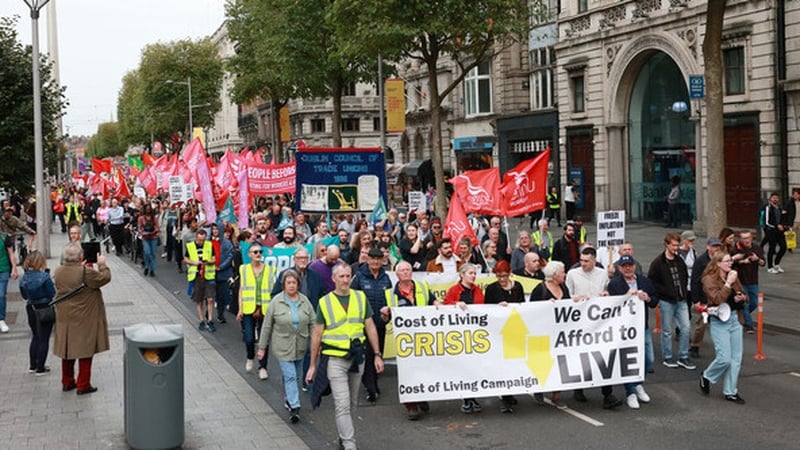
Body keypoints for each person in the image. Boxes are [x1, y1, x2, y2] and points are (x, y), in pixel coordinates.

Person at [305, 263, 384, 450]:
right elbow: (317, 333)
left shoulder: (360, 297)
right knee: (342, 403)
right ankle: (350, 445)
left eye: (348, 276)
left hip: (357, 358)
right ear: (333, 279)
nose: (345, 280)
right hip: (335, 358)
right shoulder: (325, 302)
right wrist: (312, 365)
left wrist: (377, 354)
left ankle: (343, 435)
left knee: (351, 403)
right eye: (341, 277)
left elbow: (370, 326)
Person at [565, 247, 621, 409]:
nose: (582, 264)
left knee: (602, 356)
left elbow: (606, 290)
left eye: (586, 261)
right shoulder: (573, 274)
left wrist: (605, 294)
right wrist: (575, 299)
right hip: (579, 323)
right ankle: (578, 388)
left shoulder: (602, 274)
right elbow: (567, 296)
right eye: (581, 260)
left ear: (594, 261)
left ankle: (607, 394)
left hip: (598, 323)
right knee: (581, 356)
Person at [379, 261, 435, 420]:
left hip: (424, 338)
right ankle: (411, 405)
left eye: (408, 270)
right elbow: (385, 319)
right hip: (404, 340)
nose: (405, 272)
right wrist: (384, 314)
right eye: (402, 270)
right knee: (407, 372)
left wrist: (441, 306)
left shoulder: (422, 288)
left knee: (424, 369)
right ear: (396, 274)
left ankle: (422, 396)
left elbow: (434, 302)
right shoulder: (390, 294)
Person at [257, 270, 315, 423]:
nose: (291, 286)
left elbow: (313, 323)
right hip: (282, 345)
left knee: (294, 375)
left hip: (300, 345)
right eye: (288, 283)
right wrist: (262, 347)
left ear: (298, 284)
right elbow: (267, 326)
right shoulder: (276, 302)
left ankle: (288, 398)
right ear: (283, 285)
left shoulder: (305, 301)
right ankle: (295, 407)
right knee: (290, 376)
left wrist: (317, 343)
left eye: (294, 283)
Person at [53, 244, 111, 394]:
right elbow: (104, 278)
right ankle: (83, 384)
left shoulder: (58, 271)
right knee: (85, 349)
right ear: (81, 256)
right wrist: (102, 265)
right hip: (84, 316)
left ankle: (67, 381)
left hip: (65, 316)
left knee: (67, 350)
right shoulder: (86, 272)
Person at [607, 255, 658, 410]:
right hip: (625, 330)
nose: (628, 268)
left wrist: (647, 298)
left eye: (630, 265)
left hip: (642, 327)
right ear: (620, 268)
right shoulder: (615, 284)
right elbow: (612, 306)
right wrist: (626, 296)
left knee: (648, 359)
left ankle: (638, 384)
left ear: (634, 266)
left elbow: (655, 300)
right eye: (625, 266)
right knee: (628, 361)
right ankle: (630, 392)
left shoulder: (644, 281)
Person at [699, 252, 748, 404]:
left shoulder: (733, 275)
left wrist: (742, 297)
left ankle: (731, 391)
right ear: (718, 263)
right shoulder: (709, 279)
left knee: (736, 359)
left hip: (734, 318)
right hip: (720, 320)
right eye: (727, 261)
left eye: (731, 261)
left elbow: (744, 295)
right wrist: (728, 283)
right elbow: (717, 299)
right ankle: (707, 376)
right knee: (724, 358)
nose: (730, 263)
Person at [351, 247, 393, 404]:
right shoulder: (359, 277)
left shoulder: (386, 278)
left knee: (378, 354)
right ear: (367, 259)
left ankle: (373, 383)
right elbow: (352, 298)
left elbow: (390, 298)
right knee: (368, 356)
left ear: (382, 260)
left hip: (380, 323)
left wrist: (388, 313)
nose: (375, 262)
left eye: (378, 259)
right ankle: (371, 388)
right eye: (372, 259)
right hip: (364, 325)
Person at [648, 232, 695, 370]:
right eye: (673, 245)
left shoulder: (679, 261)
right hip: (666, 301)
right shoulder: (657, 263)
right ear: (666, 245)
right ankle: (668, 357)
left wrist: (684, 294)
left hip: (681, 300)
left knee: (686, 328)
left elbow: (684, 277)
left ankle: (683, 356)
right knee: (667, 330)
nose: (676, 248)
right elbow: (652, 281)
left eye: (677, 245)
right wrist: (661, 293)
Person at [483, 260, 524, 413]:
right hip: (499, 332)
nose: (502, 279)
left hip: (515, 329)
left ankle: (510, 392)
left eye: (504, 276)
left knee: (514, 362)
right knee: (503, 363)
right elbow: (487, 309)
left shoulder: (517, 286)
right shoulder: (492, 289)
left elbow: (521, 305)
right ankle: (506, 397)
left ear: (509, 273)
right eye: (499, 276)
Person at [443, 263, 485, 413]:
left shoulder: (478, 290)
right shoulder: (454, 290)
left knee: (475, 366)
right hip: (460, 335)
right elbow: (445, 306)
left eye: (474, 273)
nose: (473, 276)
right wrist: (455, 304)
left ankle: (473, 396)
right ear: (462, 275)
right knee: (464, 366)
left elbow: (484, 308)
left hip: (476, 334)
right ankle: (467, 398)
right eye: (471, 273)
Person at [529, 261, 569, 408]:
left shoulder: (563, 287)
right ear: (554, 275)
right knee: (543, 363)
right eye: (562, 272)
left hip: (560, 334)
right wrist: (545, 306)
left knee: (560, 363)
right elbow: (531, 311)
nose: (565, 274)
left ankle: (556, 395)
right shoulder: (540, 289)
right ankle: (539, 390)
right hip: (542, 334)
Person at [237, 242, 276, 380]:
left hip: (265, 308)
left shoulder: (271, 269)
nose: (258, 254)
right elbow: (241, 289)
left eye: (260, 252)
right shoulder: (244, 269)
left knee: (263, 340)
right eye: (255, 252)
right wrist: (240, 309)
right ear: (249, 255)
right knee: (248, 338)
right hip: (248, 308)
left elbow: (273, 291)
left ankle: (263, 367)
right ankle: (250, 357)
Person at [19, 251, 55, 374]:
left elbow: (24, 296)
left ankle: (32, 365)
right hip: (45, 307)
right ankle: (41, 367)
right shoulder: (45, 277)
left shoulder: (23, 278)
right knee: (44, 338)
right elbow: (52, 293)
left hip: (31, 308)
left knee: (35, 336)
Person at [688, 237, 723, 358]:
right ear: (708, 247)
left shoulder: (722, 259)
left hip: (718, 296)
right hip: (705, 297)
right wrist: (696, 300)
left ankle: (722, 347)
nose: (716, 248)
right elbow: (695, 280)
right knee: (702, 324)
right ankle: (695, 346)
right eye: (714, 246)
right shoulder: (701, 261)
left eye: (718, 246)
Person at [732, 230, 765, 334]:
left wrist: (757, 259)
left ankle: (742, 316)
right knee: (745, 303)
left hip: (753, 280)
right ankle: (749, 325)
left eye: (748, 238)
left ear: (751, 238)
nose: (746, 240)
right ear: (741, 239)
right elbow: (731, 263)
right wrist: (742, 261)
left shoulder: (757, 248)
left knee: (754, 302)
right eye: (744, 238)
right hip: (741, 281)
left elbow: (763, 263)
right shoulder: (737, 249)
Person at [184, 229, 217, 332]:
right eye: (199, 240)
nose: (201, 242)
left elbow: (214, 258)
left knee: (210, 299)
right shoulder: (190, 246)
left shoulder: (209, 245)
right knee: (199, 300)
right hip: (196, 276)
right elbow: (185, 258)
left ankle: (210, 320)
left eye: (203, 240)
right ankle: (202, 320)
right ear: (196, 238)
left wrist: (209, 262)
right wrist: (194, 263)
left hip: (208, 275)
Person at [215, 225, 235, 324]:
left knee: (221, 295)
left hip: (223, 273)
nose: (215, 231)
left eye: (217, 229)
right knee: (211, 295)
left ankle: (220, 313)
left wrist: (221, 267)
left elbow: (230, 256)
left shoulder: (227, 243)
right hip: (210, 273)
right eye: (213, 229)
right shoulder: (208, 242)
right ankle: (208, 311)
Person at [762, 192, 787, 273]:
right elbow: (767, 221)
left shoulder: (779, 207)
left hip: (780, 231)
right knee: (772, 249)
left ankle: (776, 264)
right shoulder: (768, 207)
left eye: (776, 198)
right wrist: (777, 226)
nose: (775, 199)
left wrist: (783, 225)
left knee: (783, 247)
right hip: (771, 231)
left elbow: (781, 218)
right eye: (774, 198)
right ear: (770, 198)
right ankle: (770, 267)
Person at [0, 227, 18, 333]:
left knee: (1, 295)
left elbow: (11, 253)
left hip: (3, 269)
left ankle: (1, 319)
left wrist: (14, 269)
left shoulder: (4, 237)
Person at [138, 204, 160, 277]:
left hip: (153, 237)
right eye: (146, 209)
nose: (148, 210)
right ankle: (147, 266)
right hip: (145, 238)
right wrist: (144, 233)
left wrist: (153, 232)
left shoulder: (154, 218)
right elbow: (140, 228)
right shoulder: (141, 218)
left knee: (153, 254)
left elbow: (157, 227)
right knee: (147, 253)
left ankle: (152, 269)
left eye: (149, 209)